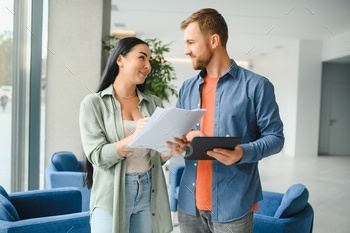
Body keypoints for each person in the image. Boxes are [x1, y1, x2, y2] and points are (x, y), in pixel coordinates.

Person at [171, 8, 284, 233]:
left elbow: (276, 138)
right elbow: (180, 135)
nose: (186, 51)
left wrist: (242, 152)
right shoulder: (188, 88)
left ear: (214, 40)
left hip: (233, 206)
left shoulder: (257, 86)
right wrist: (179, 144)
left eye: (191, 42)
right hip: (189, 206)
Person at [79, 37, 173, 233]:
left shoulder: (154, 103)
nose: (148, 66)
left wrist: (170, 150)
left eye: (150, 61)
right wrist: (134, 137)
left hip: (149, 190)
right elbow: (96, 155)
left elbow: (156, 156)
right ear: (120, 60)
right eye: (142, 58)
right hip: (111, 195)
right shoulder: (93, 104)